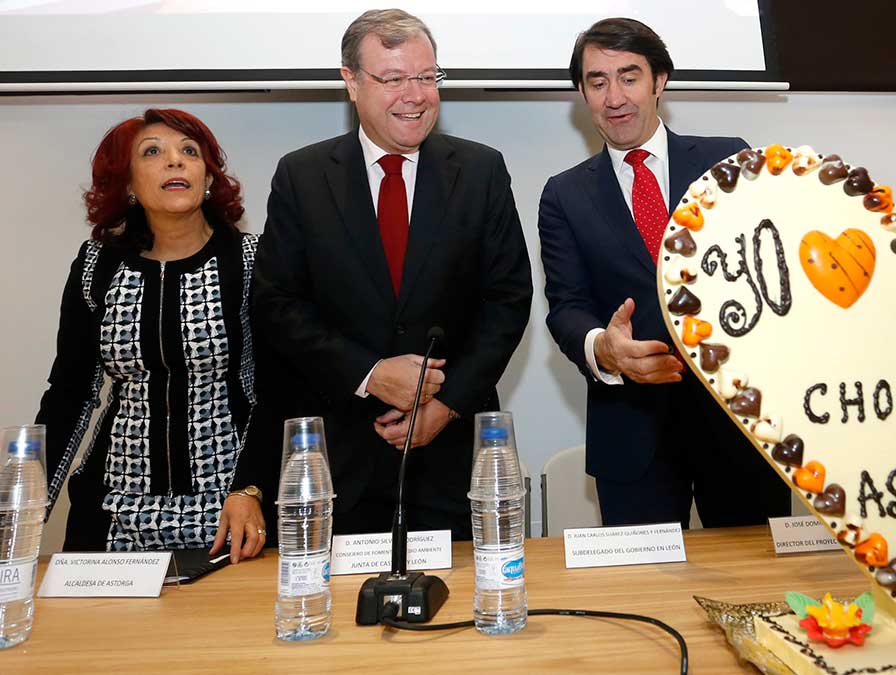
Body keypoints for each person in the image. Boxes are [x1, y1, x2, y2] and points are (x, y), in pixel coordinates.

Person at [254, 9, 532, 540]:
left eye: (427, 77)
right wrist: (369, 373)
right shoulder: (302, 176)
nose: (416, 94)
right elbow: (277, 305)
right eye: (393, 78)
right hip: (341, 464)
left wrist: (446, 406)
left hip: (452, 466)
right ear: (351, 83)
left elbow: (508, 299)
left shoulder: (481, 171)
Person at [538, 18, 790, 527]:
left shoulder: (727, 159)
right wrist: (602, 349)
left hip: (738, 423)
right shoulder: (563, 195)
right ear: (581, 93)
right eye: (597, 81)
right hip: (632, 436)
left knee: (759, 590)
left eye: (629, 76)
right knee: (641, 594)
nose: (614, 97)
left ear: (660, 80)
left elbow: (771, 279)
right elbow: (567, 307)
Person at [36, 109, 268, 562]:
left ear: (208, 177)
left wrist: (250, 486)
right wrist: (24, 509)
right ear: (127, 184)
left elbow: (276, 389)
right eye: (153, 153)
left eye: (189, 152)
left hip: (232, 509)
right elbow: (70, 394)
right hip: (114, 509)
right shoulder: (95, 265)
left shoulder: (249, 261)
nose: (175, 162)